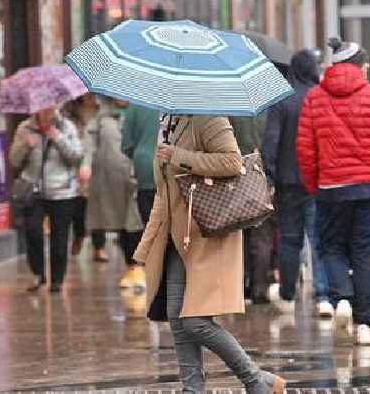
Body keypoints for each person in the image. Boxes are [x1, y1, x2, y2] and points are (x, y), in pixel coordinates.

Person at [134, 115, 285, 393]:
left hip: (207, 234)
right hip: (178, 239)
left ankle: (255, 381)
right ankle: (194, 389)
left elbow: (232, 162)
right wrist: (147, 244)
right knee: (177, 320)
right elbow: (163, 193)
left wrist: (179, 156)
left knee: (195, 321)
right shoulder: (168, 123)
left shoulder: (208, 118)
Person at [296, 38, 370, 346]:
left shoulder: (314, 99)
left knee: (331, 247)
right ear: (359, 66)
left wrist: (315, 186)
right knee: (367, 253)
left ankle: (342, 297)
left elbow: (305, 150)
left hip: (331, 189)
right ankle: (364, 324)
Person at [262, 49, 332, 317]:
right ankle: (323, 295)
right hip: (318, 181)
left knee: (290, 240)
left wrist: (269, 174)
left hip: (288, 182)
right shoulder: (321, 97)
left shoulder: (282, 99)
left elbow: (271, 140)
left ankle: (288, 294)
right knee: (318, 239)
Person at [9, 105, 83, 293]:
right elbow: (13, 161)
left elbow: (76, 157)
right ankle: (38, 274)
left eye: (51, 106)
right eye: (43, 107)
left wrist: (58, 138)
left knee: (59, 237)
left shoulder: (67, 127)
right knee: (33, 232)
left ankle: (57, 280)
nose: (47, 110)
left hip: (62, 191)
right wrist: (25, 145)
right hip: (33, 190)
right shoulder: (24, 128)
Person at [86, 97, 145, 288]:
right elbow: (90, 147)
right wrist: (85, 165)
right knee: (121, 224)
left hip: (138, 177)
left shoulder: (141, 114)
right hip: (112, 182)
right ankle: (131, 266)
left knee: (135, 222)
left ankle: (138, 267)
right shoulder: (101, 120)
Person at [229, 111, 274, 304]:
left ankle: (240, 288)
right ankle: (260, 289)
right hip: (262, 177)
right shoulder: (269, 112)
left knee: (239, 235)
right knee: (262, 237)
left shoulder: (231, 112)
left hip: (236, 177)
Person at [64, 94, 109, 262]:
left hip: (98, 164)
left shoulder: (103, 112)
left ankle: (99, 246)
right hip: (74, 163)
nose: (89, 96)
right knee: (79, 206)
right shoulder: (69, 113)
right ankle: (79, 235)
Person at [121, 103, 160, 225]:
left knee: (150, 227)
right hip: (172, 169)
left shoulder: (135, 105)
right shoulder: (175, 102)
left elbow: (126, 145)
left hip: (144, 169)